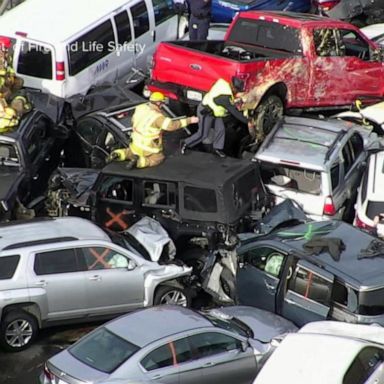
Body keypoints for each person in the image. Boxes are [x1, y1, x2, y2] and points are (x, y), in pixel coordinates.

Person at [110, 92, 198, 169]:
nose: (162, 105)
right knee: (158, 158)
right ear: (158, 103)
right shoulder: (157, 118)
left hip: (135, 143)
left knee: (129, 152)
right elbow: (172, 125)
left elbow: (132, 118)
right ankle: (139, 162)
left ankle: (117, 154)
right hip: (148, 147)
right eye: (162, 103)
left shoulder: (140, 108)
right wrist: (189, 120)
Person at [182, 77, 252, 158]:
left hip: (215, 113)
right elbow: (234, 112)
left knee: (220, 129)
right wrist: (248, 121)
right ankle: (185, 143)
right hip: (206, 112)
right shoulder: (224, 98)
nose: (239, 93)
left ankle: (217, 148)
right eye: (238, 91)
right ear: (234, 88)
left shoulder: (224, 85)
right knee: (203, 134)